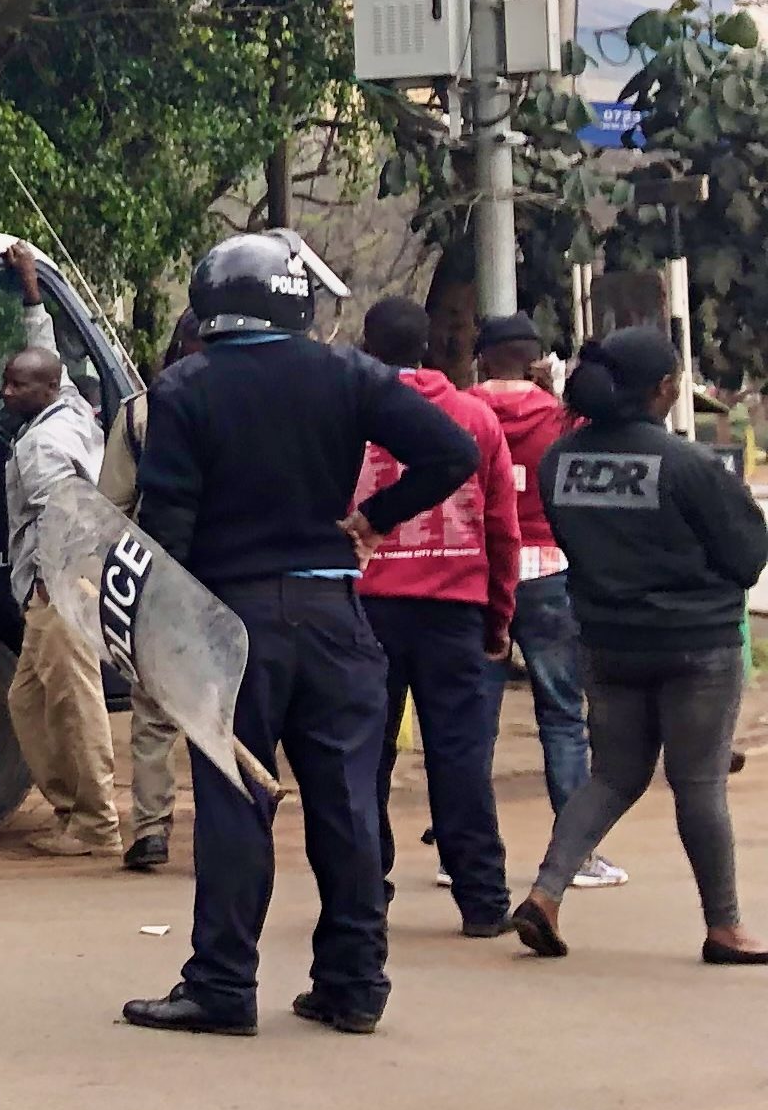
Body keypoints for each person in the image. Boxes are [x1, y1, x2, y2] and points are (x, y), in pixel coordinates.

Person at [123, 233, 478, 1038]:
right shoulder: (348, 373)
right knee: (349, 803)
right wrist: (373, 518)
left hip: (230, 625)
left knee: (233, 804)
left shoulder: (184, 388)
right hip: (334, 619)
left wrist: (155, 633)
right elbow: (452, 451)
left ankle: (222, 985)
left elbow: (168, 525)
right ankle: (355, 984)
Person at [510, 328, 768, 964]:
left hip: (607, 640)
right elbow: (746, 557)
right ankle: (725, 928)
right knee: (698, 782)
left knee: (612, 775)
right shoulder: (686, 464)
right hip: (696, 644)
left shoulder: (559, 461)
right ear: (663, 388)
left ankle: (545, 893)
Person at [351, 296, 520, 936]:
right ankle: (482, 900)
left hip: (366, 607)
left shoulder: (349, 417)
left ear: (367, 347)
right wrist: (498, 614)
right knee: (459, 756)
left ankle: (365, 892)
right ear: (427, 347)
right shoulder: (473, 418)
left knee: (365, 756)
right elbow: (501, 527)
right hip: (454, 609)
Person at [473, 315, 613, 887]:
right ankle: (576, 855)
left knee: (471, 723)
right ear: (534, 360)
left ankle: (462, 853)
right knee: (562, 715)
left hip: (480, 575)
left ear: (483, 359)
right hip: (550, 572)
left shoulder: (459, 413)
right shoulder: (561, 420)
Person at [0, 345, 120, 856]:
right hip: (64, 582)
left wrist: (51, 580)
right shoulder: (69, 406)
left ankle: (97, 823)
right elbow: (53, 364)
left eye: (17, 386)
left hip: (59, 585)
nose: (6, 393)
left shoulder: (43, 443)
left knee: (72, 700)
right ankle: (73, 811)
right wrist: (33, 306)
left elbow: (59, 514)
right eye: (7, 381)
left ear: (46, 388)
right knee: (27, 700)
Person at [100, 310, 208, 870]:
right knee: (226, 708)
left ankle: (150, 828)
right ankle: (224, 830)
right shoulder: (268, 403)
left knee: (153, 709)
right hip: (242, 579)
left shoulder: (143, 410)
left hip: (160, 576)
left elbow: (112, 506)